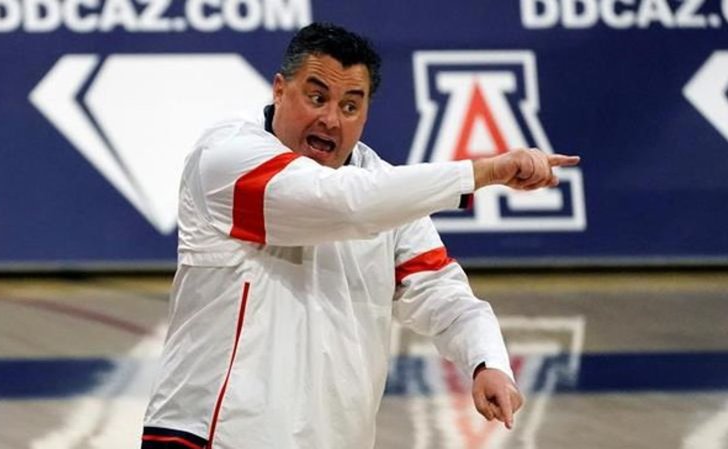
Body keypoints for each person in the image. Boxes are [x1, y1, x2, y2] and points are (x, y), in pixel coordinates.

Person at [141, 22, 579, 449]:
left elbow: (442, 293)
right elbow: (343, 203)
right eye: (316, 98)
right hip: (208, 435)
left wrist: (488, 361)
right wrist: (483, 172)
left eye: (350, 107)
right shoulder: (228, 157)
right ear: (279, 89)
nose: (331, 119)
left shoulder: (382, 190)